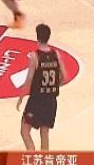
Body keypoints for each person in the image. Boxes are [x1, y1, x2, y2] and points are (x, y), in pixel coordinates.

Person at [17, 24, 67, 154]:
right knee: (44, 134)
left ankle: (31, 154)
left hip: (37, 100)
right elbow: (64, 76)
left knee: (24, 130)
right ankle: (43, 164)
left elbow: (29, 80)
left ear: (37, 37)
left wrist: (21, 97)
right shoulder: (56, 54)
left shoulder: (35, 56)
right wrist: (54, 86)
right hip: (51, 101)